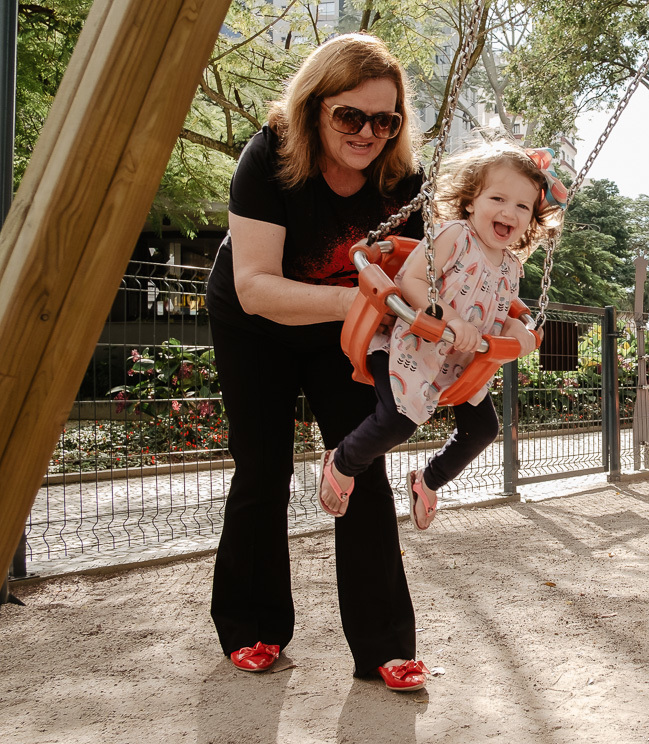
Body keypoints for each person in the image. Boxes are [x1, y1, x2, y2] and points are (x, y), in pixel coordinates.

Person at [204, 33, 430, 691]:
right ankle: (251, 626)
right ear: (314, 106)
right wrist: (356, 302)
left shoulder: (403, 181)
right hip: (256, 324)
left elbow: (420, 276)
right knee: (263, 466)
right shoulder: (270, 157)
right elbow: (255, 286)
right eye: (350, 116)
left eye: (385, 121)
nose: (368, 133)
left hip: (344, 331)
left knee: (360, 465)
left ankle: (385, 646)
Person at [318, 141, 565, 535]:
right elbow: (412, 282)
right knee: (397, 422)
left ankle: (428, 481)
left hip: (458, 362)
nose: (509, 212)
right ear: (471, 201)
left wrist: (520, 333)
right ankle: (343, 462)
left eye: (522, 206)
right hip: (409, 346)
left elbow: (503, 310)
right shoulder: (453, 236)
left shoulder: (511, 266)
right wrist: (452, 320)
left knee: (483, 429)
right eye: (497, 198)